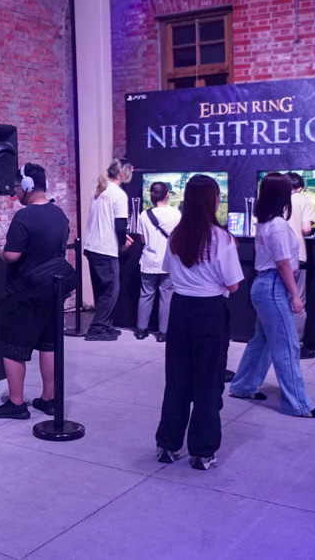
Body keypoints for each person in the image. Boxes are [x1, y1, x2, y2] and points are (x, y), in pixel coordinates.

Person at [154, 175, 244, 471]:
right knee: (208, 381)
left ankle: (168, 445)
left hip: (180, 310)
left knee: (177, 379)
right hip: (209, 312)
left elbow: (169, 271)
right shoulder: (222, 239)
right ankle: (203, 451)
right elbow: (233, 285)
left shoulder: (176, 236)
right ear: (213, 201)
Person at [229, 173, 315, 418]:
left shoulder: (264, 221)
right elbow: (283, 264)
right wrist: (295, 295)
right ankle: (298, 404)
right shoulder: (278, 224)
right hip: (274, 288)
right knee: (287, 346)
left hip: (264, 286)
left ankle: (242, 386)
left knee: (262, 342)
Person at [0, 163, 70, 419]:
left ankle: (16, 403)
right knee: (49, 345)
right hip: (52, 292)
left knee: (13, 347)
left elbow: (13, 255)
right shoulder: (59, 214)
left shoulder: (24, 217)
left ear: (27, 186)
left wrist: (1, 252)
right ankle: (49, 399)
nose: (15, 192)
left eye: (17, 186)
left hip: (23, 294)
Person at [82, 158, 133, 340]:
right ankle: (97, 328)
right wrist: (122, 242)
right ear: (122, 173)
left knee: (100, 289)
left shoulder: (97, 191)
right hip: (105, 248)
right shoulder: (119, 195)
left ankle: (106, 325)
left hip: (92, 246)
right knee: (111, 291)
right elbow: (120, 225)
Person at [135, 181, 181, 342]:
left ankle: (141, 330)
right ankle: (163, 333)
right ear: (167, 195)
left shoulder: (144, 215)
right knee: (166, 297)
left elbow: (143, 239)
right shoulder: (176, 214)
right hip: (168, 262)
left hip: (149, 262)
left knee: (145, 295)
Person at [285, 172, 315, 359]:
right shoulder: (303, 200)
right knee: (297, 301)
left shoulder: (274, 198)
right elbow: (306, 229)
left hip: (274, 259)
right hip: (297, 257)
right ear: (300, 188)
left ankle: (278, 342)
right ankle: (296, 346)